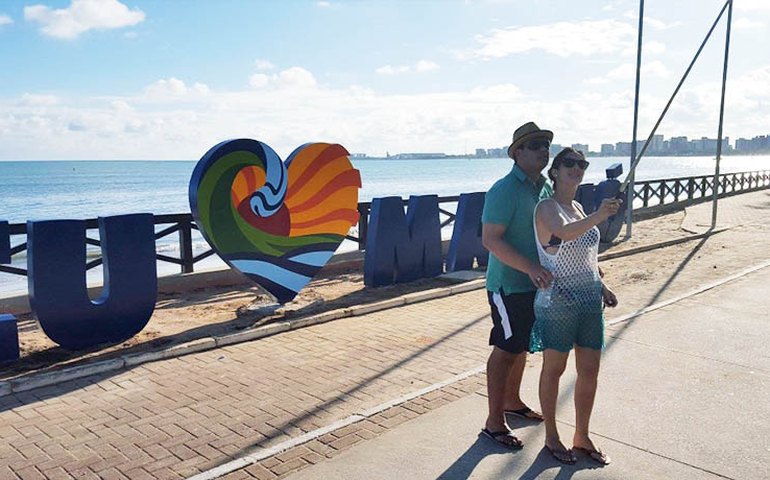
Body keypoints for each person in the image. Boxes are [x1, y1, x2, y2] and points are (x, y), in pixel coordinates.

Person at [530, 147, 620, 465]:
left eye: (581, 164)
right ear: (554, 172)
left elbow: (584, 254)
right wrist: (601, 215)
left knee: (590, 370)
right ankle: (552, 436)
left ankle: (582, 436)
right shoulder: (546, 207)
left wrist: (604, 285)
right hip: (558, 301)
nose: (576, 168)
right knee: (555, 369)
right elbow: (564, 234)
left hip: (589, 300)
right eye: (568, 163)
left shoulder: (579, 207)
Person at [480, 122, 555, 449]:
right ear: (518, 152)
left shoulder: (543, 188)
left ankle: (512, 402)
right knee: (506, 349)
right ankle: (494, 423)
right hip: (507, 286)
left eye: (546, 144)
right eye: (535, 144)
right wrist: (530, 268)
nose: (543, 149)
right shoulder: (504, 190)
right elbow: (490, 240)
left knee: (521, 345)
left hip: (534, 285)